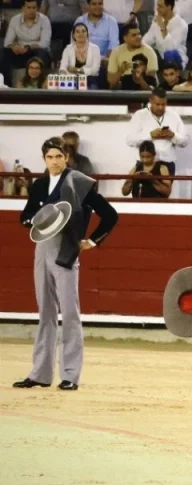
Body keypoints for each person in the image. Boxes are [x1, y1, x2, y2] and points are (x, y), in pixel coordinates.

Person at [13, 137, 119, 392]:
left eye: (58, 157)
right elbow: (25, 215)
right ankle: (40, 373)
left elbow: (110, 215)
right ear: (44, 159)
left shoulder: (79, 182)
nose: (54, 161)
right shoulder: (39, 185)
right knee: (45, 312)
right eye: (50, 157)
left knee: (69, 313)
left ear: (66, 158)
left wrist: (92, 241)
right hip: (42, 247)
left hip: (67, 249)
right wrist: (33, 222)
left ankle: (70, 374)